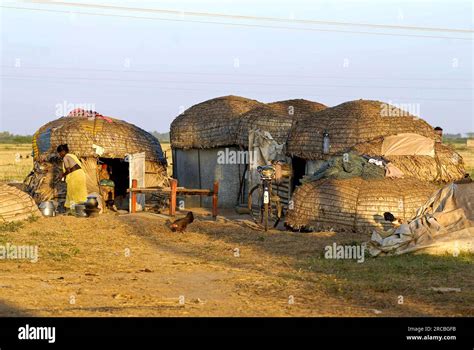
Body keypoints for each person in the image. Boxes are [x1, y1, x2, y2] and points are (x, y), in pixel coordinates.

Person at [57, 144, 88, 210]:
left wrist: (62, 175)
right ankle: (83, 209)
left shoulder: (65, 157)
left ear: (62, 151)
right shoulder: (72, 156)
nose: (59, 155)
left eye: (59, 153)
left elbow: (68, 170)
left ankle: (73, 210)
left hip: (75, 176)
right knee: (81, 192)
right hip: (81, 174)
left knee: (73, 193)